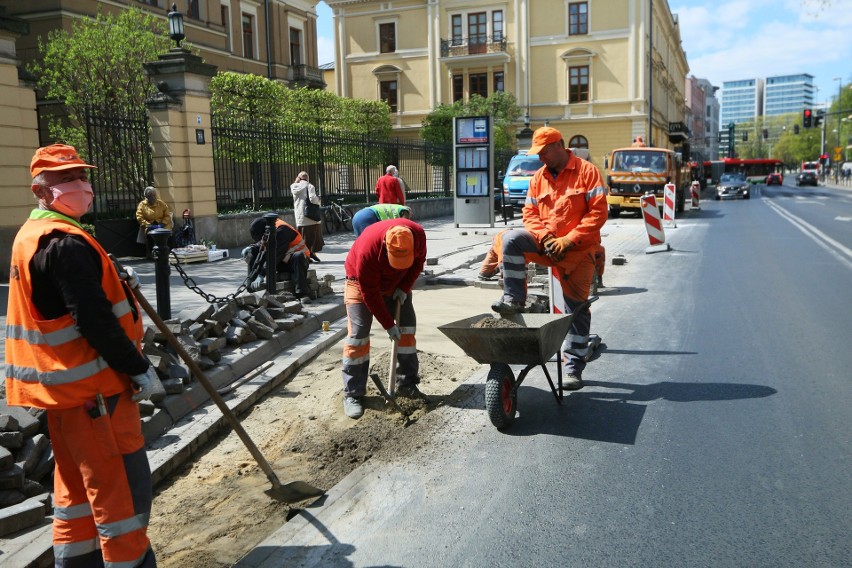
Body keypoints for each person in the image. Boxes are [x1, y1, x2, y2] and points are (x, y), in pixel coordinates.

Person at [6, 144, 158, 567]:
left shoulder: (31, 236)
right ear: (41, 190)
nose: (80, 186)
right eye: (65, 179)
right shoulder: (63, 244)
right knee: (121, 501)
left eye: (80, 176)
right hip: (97, 398)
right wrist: (138, 368)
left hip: (67, 400)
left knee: (75, 499)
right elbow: (94, 320)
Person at [491, 127, 608, 391]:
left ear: (558, 146)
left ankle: (573, 368)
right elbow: (530, 214)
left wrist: (568, 240)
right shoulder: (538, 178)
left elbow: (598, 214)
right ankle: (514, 299)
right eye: (537, 153)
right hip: (547, 246)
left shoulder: (587, 172)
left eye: (543, 152)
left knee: (576, 310)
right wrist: (545, 238)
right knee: (511, 240)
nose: (540, 158)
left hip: (578, 252)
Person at [341, 218, 427, 419]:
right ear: (386, 248)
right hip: (359, 283)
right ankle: (353, 393)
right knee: (358, 334)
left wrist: (403, 287)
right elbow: (370, 293)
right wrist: (388, 325)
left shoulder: (418, 235)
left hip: (397, 284)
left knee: (407, 328)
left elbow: (418, 263)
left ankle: (407, 384)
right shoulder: (367, 250)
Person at [242, 216, 312, 300]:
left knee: (298, 256)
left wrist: (261, 274)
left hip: (297, 263)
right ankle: (250, 285)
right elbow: (262, 245)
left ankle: (302, 294)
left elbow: (275, 254)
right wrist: (252, 248)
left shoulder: (282, 230)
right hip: (282, 261)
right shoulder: (268, 227)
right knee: (252, 252)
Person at [290, 171, 324, 263]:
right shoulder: (309, 186)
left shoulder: (293, 186)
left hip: (299, 217)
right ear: (307, 178)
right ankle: (308, 255)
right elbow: (313, 199)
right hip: (310, 218)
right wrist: (319, 200)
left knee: (302, 237)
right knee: (312, 238)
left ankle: (308, 254)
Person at [135, 186, 173, 251]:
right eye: (150, 195)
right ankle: (152, 253)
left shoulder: (161, 203)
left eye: (154, 195)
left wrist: (163, 224)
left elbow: (167, 215)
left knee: (167, 235)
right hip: (149, 225)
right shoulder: (142, 204)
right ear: (146, 196)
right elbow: (139, 217)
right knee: (150, 235)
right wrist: (148, 225)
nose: (152, 197)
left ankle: (168, 251)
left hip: (162, 224)